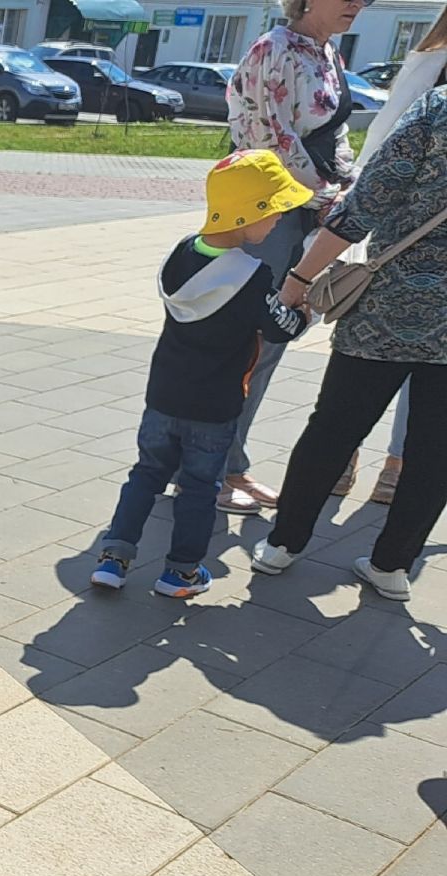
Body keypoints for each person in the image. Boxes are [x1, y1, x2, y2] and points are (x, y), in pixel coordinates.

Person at [91, 151, 312, 599]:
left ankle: (113, 558)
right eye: (272, 212)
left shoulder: (181, 253)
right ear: (249, 214)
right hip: (214, 407)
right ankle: (181, 573)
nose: (276, 223)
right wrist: (302, 313)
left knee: (147, 473)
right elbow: (278, 328)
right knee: (198, 488)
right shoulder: (251, 275)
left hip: (163, 396)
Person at [259, 88, 447, 602]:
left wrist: (299, 278)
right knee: (436, 451)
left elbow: (364, 206)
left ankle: (284, 544)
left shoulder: (437, 110)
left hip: (387, 308)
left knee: (335, 428)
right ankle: (392, 565)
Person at [221, 0, 361, 515]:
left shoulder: (328, 54)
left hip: (306, 213)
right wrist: (330, 200)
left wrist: (350, 187)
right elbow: (269, 142)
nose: (358, 4)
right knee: (246, 343)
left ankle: (229, 463)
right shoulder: (272, 49)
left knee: (272, 339)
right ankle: (209, 468)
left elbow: (336, 135)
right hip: (268, 216)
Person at [330, 7, 446, 505]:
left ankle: (397, 463)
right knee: (368, 348)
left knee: (433, 365)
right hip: (396, 234)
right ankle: (344, 453)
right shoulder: (426, 62)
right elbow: (382, 137)